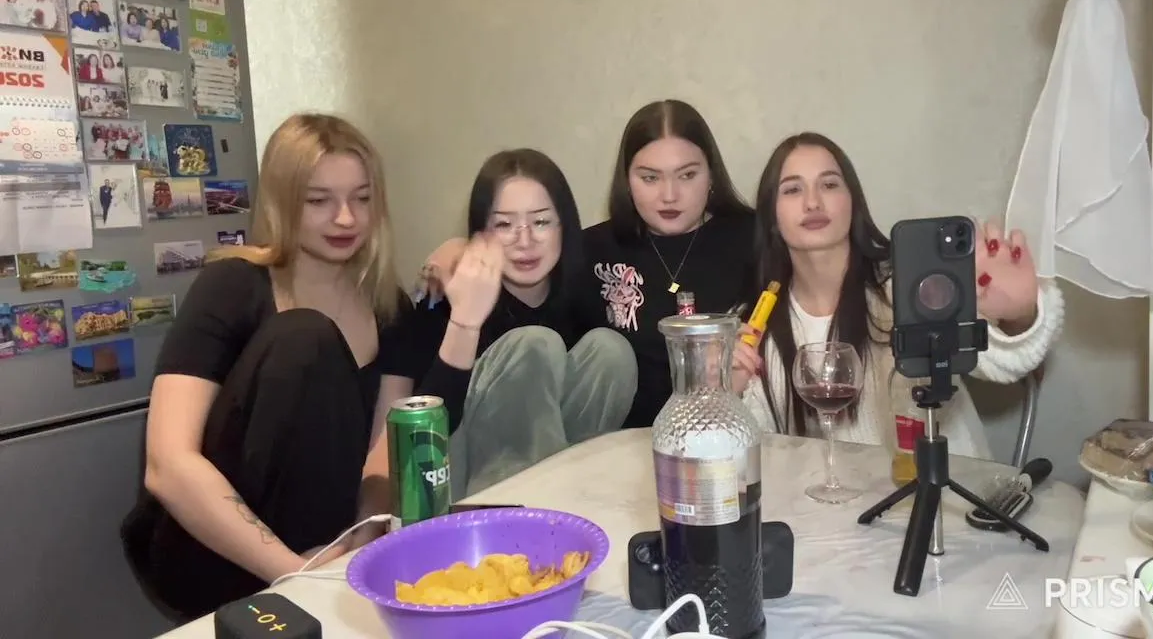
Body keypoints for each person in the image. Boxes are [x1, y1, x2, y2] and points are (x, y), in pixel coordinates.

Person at [120, 113, 411, 620]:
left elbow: (382, 456)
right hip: (208, 551)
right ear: (282, 201)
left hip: (320, 548)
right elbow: (168, 465)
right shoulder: (232, 286)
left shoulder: (389, 306)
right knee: (307, 336)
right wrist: (296, 572)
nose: (346, 218)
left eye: (362, 198)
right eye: (318, 201)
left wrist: (358, 544)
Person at [421, 100, 756, 429]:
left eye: (687, 175)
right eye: (650, 178)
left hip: (716, 431)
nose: (669, 195)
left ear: (711, 174)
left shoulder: (753, 239)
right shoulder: (592, 249)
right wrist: (462, 250)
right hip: (610, 443)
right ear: (627, 180)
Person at [730, 133, 1065, 458]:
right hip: (830, 495)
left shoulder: (906, 285)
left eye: (829, 184)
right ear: (772, 217)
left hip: (946, 489)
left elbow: (1006, 361)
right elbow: (755, 453)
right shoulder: (755, 322)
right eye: (792, 189)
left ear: (853, 204)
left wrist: (1020, 316)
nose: (813, 202)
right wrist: (726, 392)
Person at [384, 149, 637, 497]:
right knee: (534, 344)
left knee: (611, 350)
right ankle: (523, 507)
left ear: (564, 226)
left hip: (562, 484)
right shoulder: (446, 295)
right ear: (480, 233)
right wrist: (464, 320)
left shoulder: (581, 292)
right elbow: (423, 436)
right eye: (504, 225)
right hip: (463, 486)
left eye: (541, 222)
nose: (525, 241)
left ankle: (571, 497)